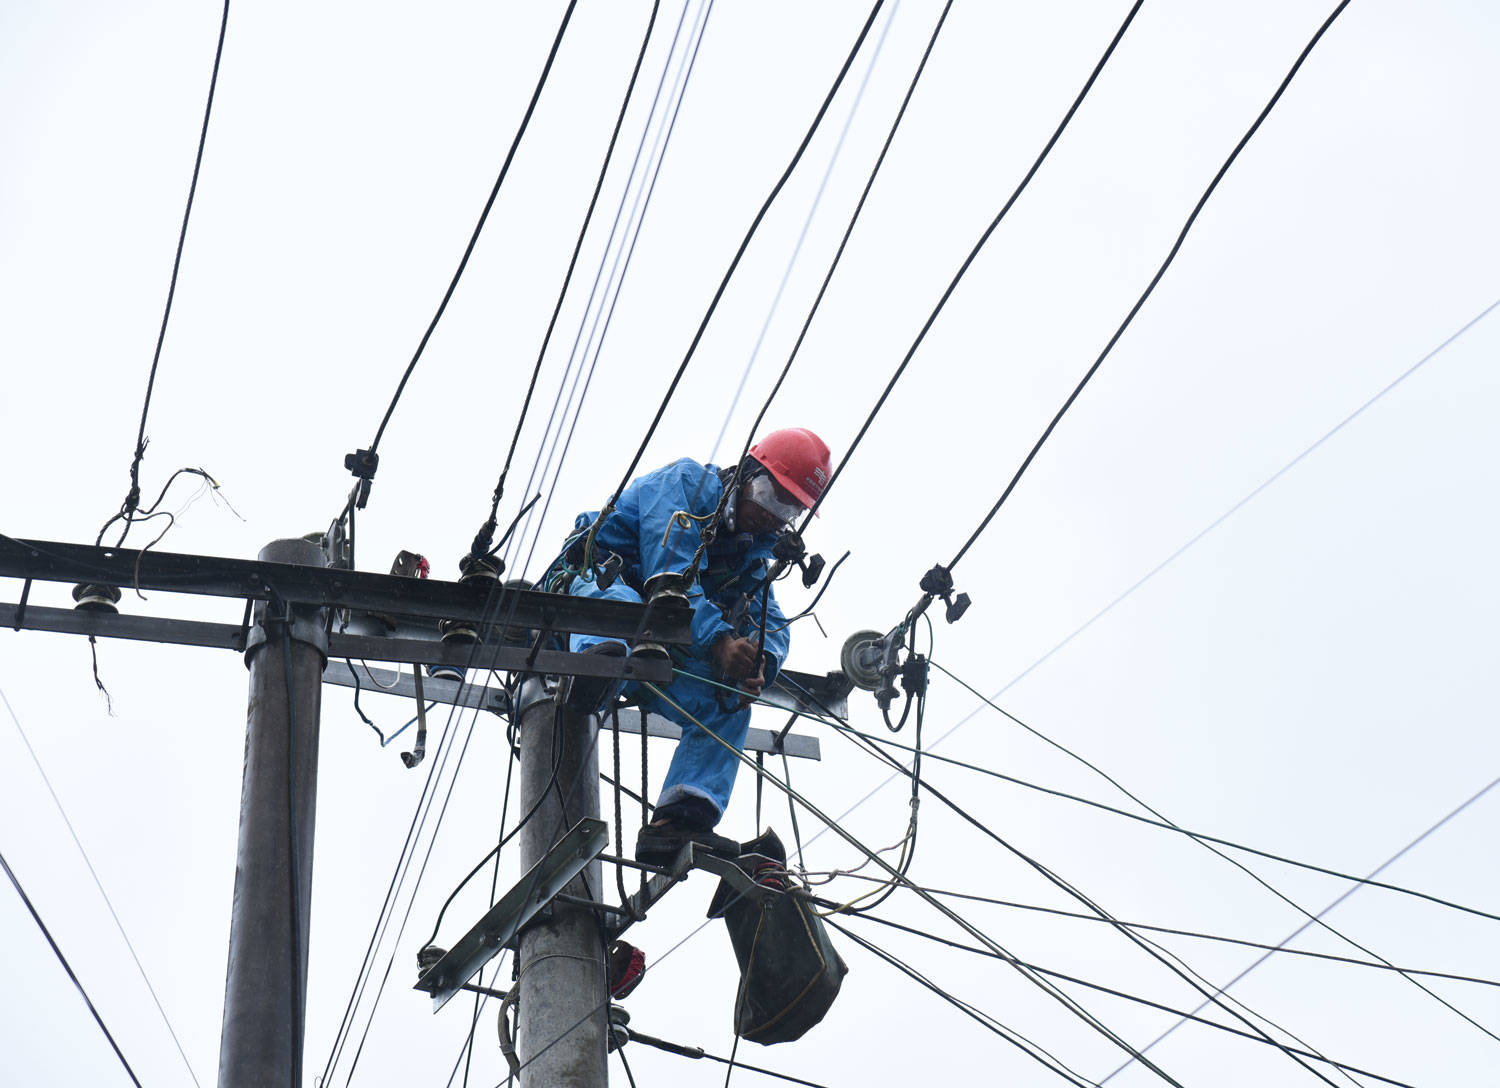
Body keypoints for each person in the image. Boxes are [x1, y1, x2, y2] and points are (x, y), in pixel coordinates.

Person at [549, 428, 831, 865]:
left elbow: (769, 620)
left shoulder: (752, 554)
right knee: (623, 608)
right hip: (594, 588)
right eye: (770, 497)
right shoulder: (687, 486)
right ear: (745, 474)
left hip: (654, 645)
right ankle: (595, 668)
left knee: (729, 703)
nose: (775, 517)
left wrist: (760, 660)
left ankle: (678, 824)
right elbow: (669, 578)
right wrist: (720, 642)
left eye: (789, 508)